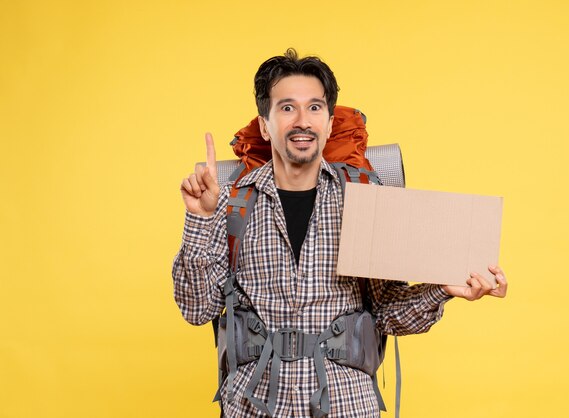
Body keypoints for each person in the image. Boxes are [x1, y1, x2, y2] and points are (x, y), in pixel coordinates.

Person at [173, 48, 508, 418]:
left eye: (315, 108)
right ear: (265, 125)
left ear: (330, 123)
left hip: (346, 404)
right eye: (287, 108)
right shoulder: (232, 202)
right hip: (252, 406)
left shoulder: (365, 198)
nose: (303, 121)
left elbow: (387, 312)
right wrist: (200, 219)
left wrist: (443, 291)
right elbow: (196, 308)